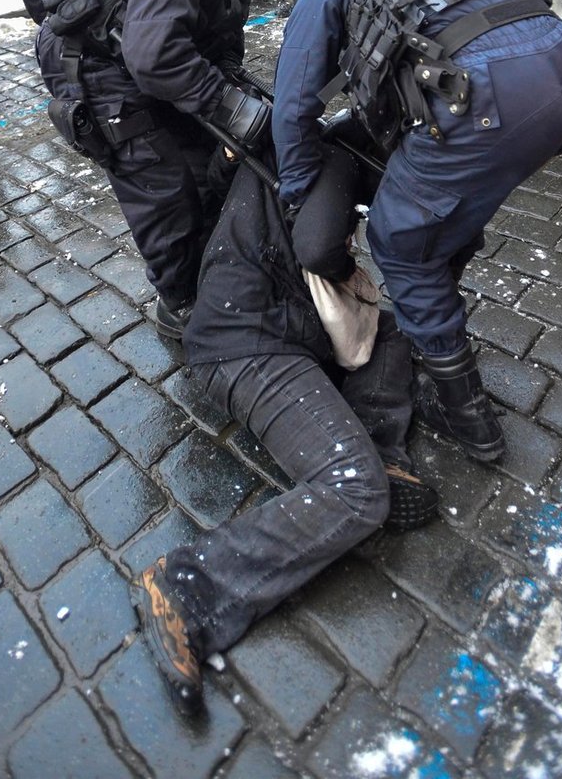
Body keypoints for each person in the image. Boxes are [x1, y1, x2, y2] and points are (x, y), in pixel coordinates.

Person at [272, 0, 562, 463]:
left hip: (485, 100)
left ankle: (466, 415)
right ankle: (438, 288)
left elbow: (294, 101)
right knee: (454, 197)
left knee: (401, 239)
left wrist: (298, 193)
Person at [130, 141, 437, 717]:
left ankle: (374, 444)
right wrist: (355, 270)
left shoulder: (289, 137)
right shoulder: (342, 154)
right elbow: (321, 247)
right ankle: (190, 589)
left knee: (390, 333)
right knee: (355, 490)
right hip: (243, 345)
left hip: (268, 320)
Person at [36, 0, 321, 338]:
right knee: (162, 182)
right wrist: (225, 105)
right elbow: (155, 56)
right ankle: (180, 300)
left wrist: (243, 97)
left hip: (139, 58)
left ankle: (215, 259)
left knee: (210, 155)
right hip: (96, 67)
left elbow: (218, 44)